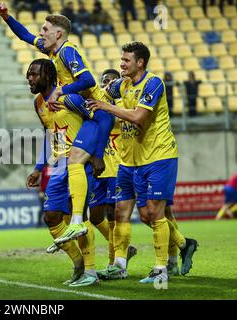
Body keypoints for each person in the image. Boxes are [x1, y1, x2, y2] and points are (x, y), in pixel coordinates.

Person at [0, 2, 113, 249]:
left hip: (97, 113)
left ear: (58, 33)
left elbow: (89, 79)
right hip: (81, 113)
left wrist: (60, 91)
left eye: (45, 29)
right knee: (70, 170)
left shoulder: (68, 51)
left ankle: (90, 234)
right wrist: (7, 18)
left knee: (84, 178)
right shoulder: (52, 53)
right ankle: (80, 232)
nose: (41, 33)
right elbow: (25, 36)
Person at [87, 42, 198, 283]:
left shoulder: (153, 83)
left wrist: (106, 106)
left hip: (158, 157)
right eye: (121, 59)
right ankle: (119, 265)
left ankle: (161, 270)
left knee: (153, 214)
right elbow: (96, 95)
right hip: (130, 160)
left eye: (126, 60)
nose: (121, 63)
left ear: (140, 63)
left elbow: (139, 116)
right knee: (120, 211)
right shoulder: (121, 84)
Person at [26, 59, 101, 287]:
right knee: (51, 217)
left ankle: (91, 272)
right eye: (28, 74)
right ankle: (78, 263)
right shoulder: (39, 103)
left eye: (34, 74)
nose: (29, 78)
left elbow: (98, 120)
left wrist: (97, 155)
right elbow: (51, 134)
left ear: (48, 75)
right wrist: (39, 168)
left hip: (79, 162)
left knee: (82, 219)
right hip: (58, 165)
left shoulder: (71, 98)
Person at [85, 69, 138, 273]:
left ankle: (114, 263)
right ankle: (122, 248)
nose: (107, 84)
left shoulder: (124, 106)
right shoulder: (97, 107)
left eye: (111, 81)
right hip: (99, 168)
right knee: (96, 217)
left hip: (117, 167)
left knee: (113, 214)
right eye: (103, 81)